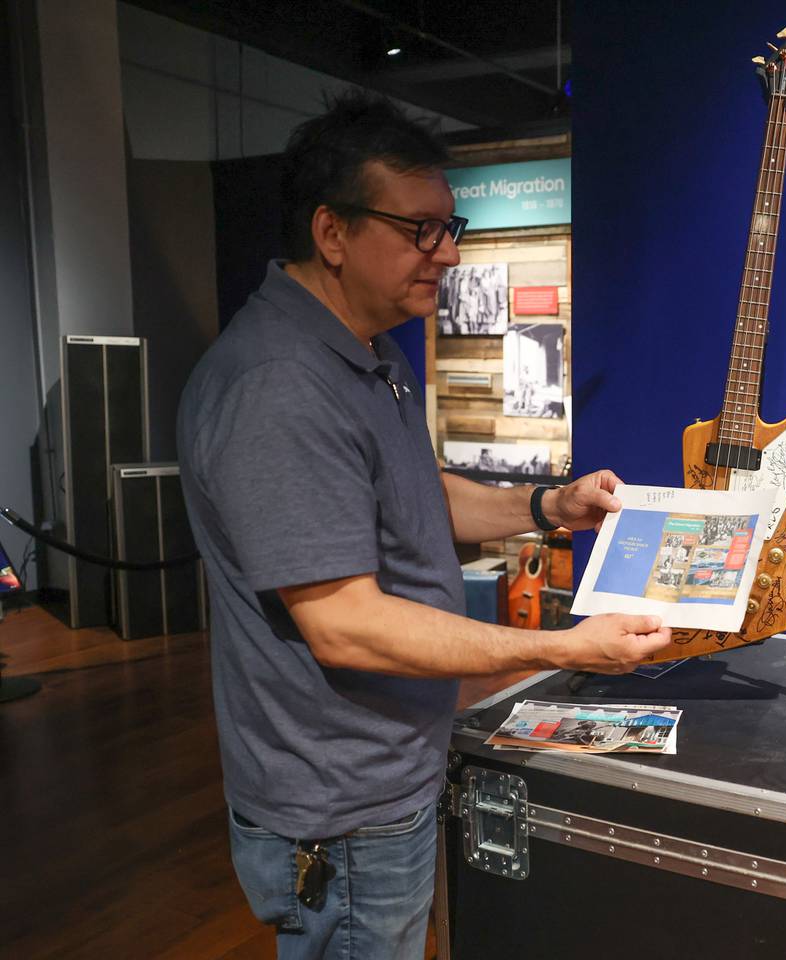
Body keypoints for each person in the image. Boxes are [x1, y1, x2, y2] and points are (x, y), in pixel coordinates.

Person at [176, 89, 669, 959]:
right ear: (332, 233)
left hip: (390, 777)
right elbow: (344, 624)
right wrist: (561, 647)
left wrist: (548, 508)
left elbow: (417, 492)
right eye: (418, 230)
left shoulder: (367, 352)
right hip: (345, 808)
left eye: (451, 228)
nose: (443, 254)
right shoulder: (277, 388)